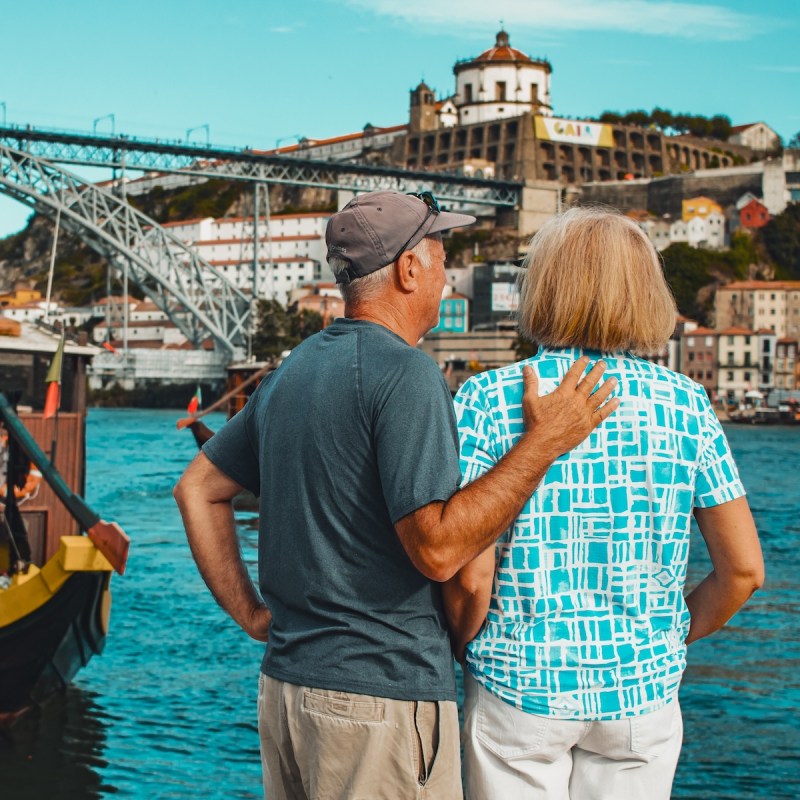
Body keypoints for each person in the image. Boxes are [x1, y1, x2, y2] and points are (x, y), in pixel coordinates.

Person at [174, 190, 619, 800]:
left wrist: (253, 614)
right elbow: (437, 553)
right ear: (410, 269)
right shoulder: (406, 374)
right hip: (378, 702)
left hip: (286, 692)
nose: (446, 274)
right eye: (440, 256)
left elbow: (197, 489)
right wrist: (544, 443)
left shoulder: (291, 373)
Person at [444, 206, 765, 800]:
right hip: (641, 697)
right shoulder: (687, 405)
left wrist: (462, 646)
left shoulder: (490, 398)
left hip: (519, 683)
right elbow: (743, 571)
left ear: (542, 287)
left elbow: (471, 575)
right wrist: (660, 641)